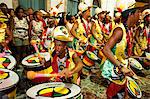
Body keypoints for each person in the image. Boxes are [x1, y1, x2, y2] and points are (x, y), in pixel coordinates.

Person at [102, 7, 141, 98]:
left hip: (121, 68)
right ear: (131, 14)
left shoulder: (128, 30)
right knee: (114, 95)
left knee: (122, 94)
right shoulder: (119, 31)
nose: (140, 15)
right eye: (138, 12)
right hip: (114, 69)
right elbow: (106, 49)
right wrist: (121, 66)